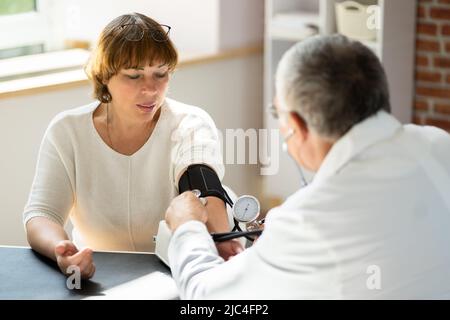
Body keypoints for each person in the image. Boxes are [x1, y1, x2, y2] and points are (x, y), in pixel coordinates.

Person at [165, 34, 450, 299]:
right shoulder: (438, 145)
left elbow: (207, 297)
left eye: (279, 113)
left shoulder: (306, 223)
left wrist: (187, 228)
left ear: (298, 126)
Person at [23, 13, 241, 280]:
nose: (151, 89)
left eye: (160, 73)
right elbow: (42, 214)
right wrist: (60, 250)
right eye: (134, 76)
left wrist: (219, 237)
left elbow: (204, 192)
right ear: (105, 76)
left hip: (176, 271)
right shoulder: (67, 131)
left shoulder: (190, 124)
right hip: (99, 275)